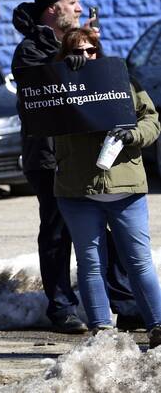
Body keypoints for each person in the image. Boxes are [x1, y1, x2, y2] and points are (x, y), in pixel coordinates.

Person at [11, 0, 142, 333]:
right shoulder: (30, 50)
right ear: (53, 8)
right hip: (50, 157)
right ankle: (61, 307)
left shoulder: (81, 43)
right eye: (72, 2)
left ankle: (124, 303)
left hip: (87, 153)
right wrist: (71, 64)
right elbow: (42, 91)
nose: (79, 8)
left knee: (109, 228)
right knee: (57, 232)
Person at [53, 27, 161, 349]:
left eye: (90, 50)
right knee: (90, 262)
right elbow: (34, 112)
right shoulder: (57, 87)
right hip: (78, 191)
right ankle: (102, 332)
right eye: (77, 51)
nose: (85, 57)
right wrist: (62, 79)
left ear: (98, 51)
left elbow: (151, 120)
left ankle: (157, 326)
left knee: (138, 260)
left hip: (125, 187)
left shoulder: (121, 82)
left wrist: (133, 135)